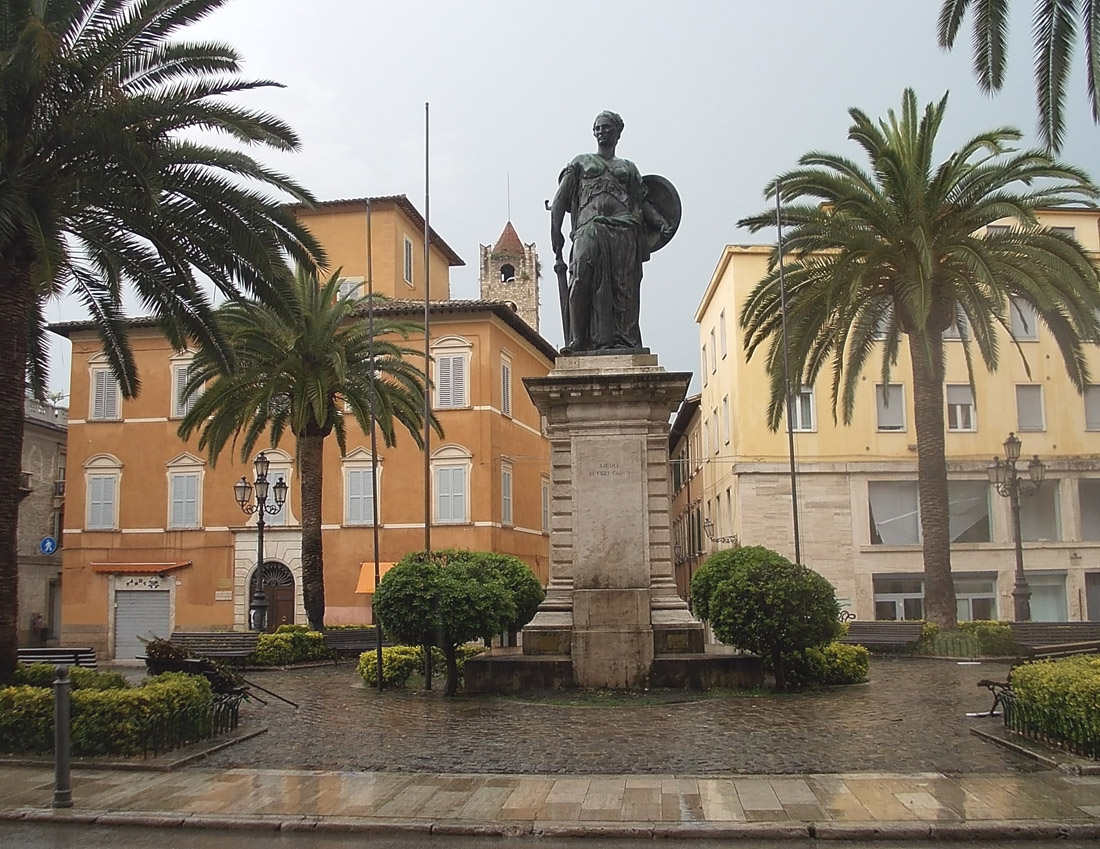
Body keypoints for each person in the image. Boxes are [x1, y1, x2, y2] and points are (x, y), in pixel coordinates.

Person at [550, 111, 674, 353]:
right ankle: (579, 339)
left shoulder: (628, 167)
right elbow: (560, 200)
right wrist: (556, 234)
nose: (601, 131)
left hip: (624, 229)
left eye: (607, 127)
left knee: (624, 288)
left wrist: (660, 223)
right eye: (598, 127)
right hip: (589, 228)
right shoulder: (580, 162)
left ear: (617, 133)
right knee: (580, 280)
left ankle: (624, 340)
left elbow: (640, 203)